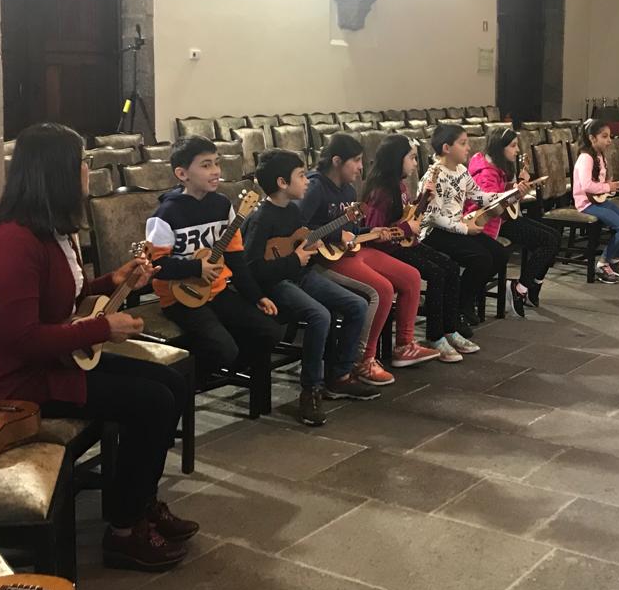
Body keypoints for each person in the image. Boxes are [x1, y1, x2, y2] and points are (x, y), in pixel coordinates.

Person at [0, 122, 197, 572]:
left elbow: (64, 299)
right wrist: (102, 328)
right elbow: (22, 338)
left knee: (170, 384)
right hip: (15, 383)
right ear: (57, 172)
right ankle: (125, 532)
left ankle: (140, 502)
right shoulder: (12, 241)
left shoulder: (54, 229)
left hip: (54, 360)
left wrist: (113, 280)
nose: (89, 168)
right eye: (82, 161)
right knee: (151, 401)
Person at [243, 149, 385, 426]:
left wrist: (315, 243)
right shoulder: (261, 217)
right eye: (300, 175)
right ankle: (311, 389)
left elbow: (304, 240)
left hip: (301, 275)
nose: (307, 180)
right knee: (320, 315)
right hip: (275, 283)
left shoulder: (292, 211)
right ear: (282, 183)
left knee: (357, 304)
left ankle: (340, 376)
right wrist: (294, 259)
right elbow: (252, 267)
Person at [148, 136, 283, 383]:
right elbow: (157, 266)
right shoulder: (166, 214)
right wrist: (196, 267)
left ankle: (223, 367)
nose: (216, 171)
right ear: (182, 173)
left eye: (217, 163)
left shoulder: (222, 205)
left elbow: (236, 258)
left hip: (216, 290)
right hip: (180, 297)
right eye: (206, 165)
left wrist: (256, 296)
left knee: (271, 331)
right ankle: (181, 382)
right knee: (223, 349)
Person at [300, 133, 427, 383]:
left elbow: (353, 230)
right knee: (382, 289)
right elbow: (299, 229)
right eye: (356, 160)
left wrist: (374, 231)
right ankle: (363, 359)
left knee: (411, 276)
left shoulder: (348, 189)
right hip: (322, 259)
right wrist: (338, 234)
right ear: (337, 161)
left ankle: (404, 344)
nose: (361, 167)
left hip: (348, 250)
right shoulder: (315, 187)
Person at [361, 134, 469, 362]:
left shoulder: (398, 185)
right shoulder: (380, 191)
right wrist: (406, 228)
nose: (415, 163)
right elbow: (374, 233)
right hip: (389, 250)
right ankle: (435, 336)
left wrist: (422, 201)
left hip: (404, 244)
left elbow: (404, 214)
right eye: (411, 158)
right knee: (436, 273)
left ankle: (449, 328)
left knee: (450, 267)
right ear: (396, 159)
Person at [421, 124, 512, 328]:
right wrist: (465, 229)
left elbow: (478, 196)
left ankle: (463, 298)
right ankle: (459, 306)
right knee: (481, 258)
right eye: (463, 143)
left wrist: (508, 196)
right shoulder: (435, 175)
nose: (468, 148)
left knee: (499, 254)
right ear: (446, 148)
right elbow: (433, 216)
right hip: (435, 232)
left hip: (456, 227)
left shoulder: (461, 170)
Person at [468, 127, 560, 315]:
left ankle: (530, 286)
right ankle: (520, 288)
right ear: (499, 147)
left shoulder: (494, 165)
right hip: (492, 224)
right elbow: (493, 207)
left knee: (554, 237)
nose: (517, 150)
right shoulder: (485, 173)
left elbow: (501, 193)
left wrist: (515, 188)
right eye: (513, 146)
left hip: (504, 219)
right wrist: (517, 192)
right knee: (549, 241)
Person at [572, 119, 619, 283]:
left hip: (599, 200)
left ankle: (616, 260)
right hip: (586, 204)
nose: (609, 140)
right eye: (604, 136)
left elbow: (601, 183)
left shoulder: (599, 156)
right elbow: (587, 185)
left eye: (609, 136)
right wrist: (608, 186)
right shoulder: (586, 158)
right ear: (592, 138)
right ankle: (603, 264)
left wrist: (615, 185)